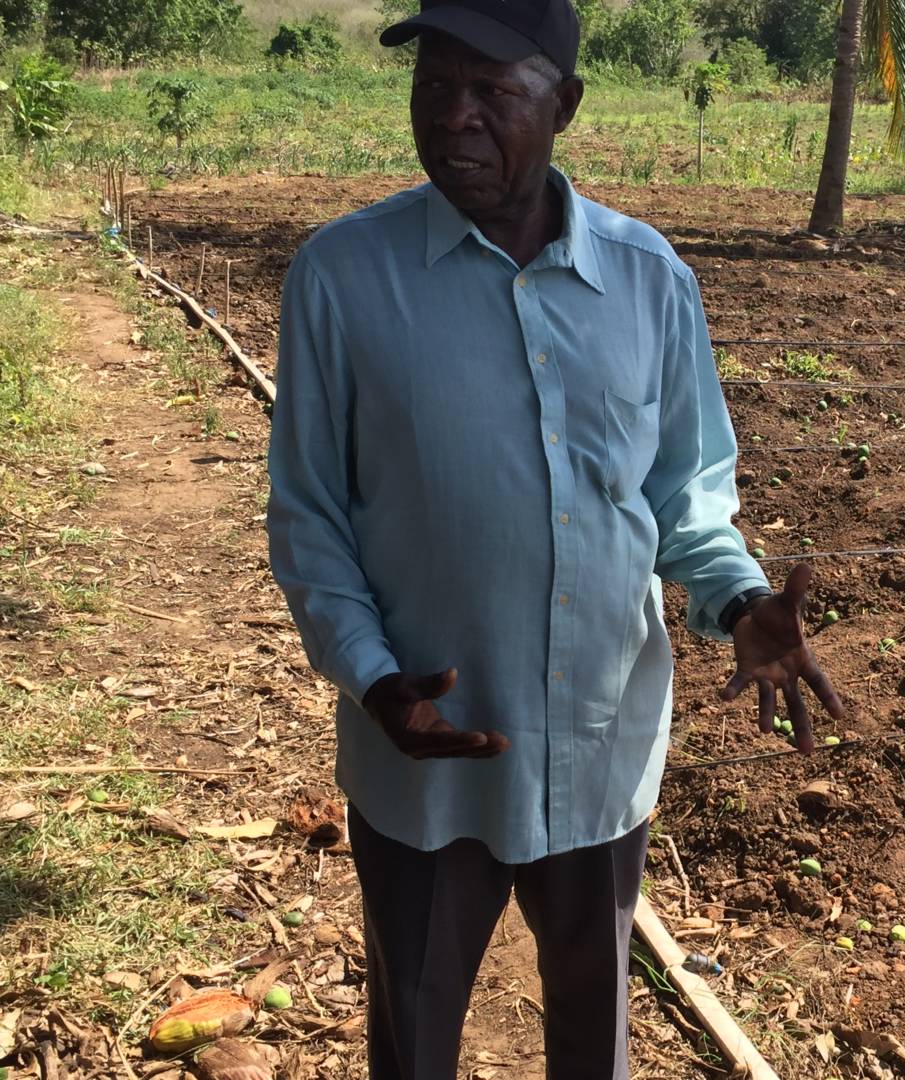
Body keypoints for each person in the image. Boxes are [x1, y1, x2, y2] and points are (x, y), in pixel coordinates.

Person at [265, 1, 845, 1077]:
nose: (455, 119)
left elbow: (684, 494)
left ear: (565, 103)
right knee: (416, 1028)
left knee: (594, 1029)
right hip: (422, 759)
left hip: (598, 748)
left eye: (493, 90)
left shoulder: (649, 281)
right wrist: (376, 682)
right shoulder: (344, 279)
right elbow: (310, 517)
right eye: (434, 86)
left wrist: (735, 600)